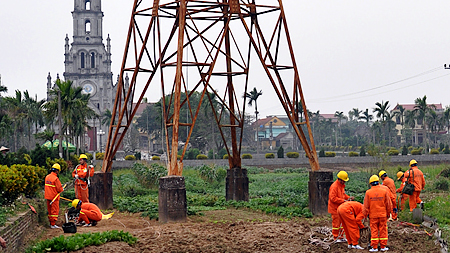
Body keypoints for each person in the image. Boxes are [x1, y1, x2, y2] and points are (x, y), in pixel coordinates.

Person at [362, 175, 392, 252]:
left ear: (371, 184)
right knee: (383, 230)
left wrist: (365, 215)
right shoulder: (384, 191)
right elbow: (388, 204)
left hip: (373, 216)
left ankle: (374, 247)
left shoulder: (368, 193)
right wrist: (388, 214)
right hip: (383, 215)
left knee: (374, 230)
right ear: (378, 182)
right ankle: (383, 246)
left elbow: (366, 206)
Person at [328, 170, 355, 242]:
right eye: (344, 180)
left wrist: (348, 198)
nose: (345, 182)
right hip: (334, 209)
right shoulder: (334, 186)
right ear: (340, 179)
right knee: (336, 224)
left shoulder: (341, 186)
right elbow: (333, 198)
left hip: (340, 208)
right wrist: (343, 201)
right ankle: (336, 237)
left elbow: (343, 195)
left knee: (342, 223)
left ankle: (341, 236)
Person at [45, 163, 64, 229]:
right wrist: (62, 189)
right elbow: (60, 189)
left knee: (50, 211)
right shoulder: (55, 179)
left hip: (48, 196)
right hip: (54, 197)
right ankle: (53, 224)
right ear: (57, 171)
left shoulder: (47, 177)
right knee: (54, 211)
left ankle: (51, 223)